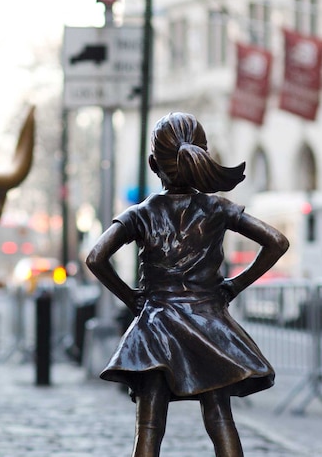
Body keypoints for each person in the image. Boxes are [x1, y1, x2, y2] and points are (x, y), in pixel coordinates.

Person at [85, 112, 289, 457]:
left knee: (149, 425)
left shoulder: (141, 213)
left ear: (153, 164)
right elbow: (277, 241)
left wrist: (132, 299)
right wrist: (234, 286)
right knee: (219, 417)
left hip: (155, 327)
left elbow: (95, 258)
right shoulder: (217, 209)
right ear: (202, 156)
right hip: (208, 323)